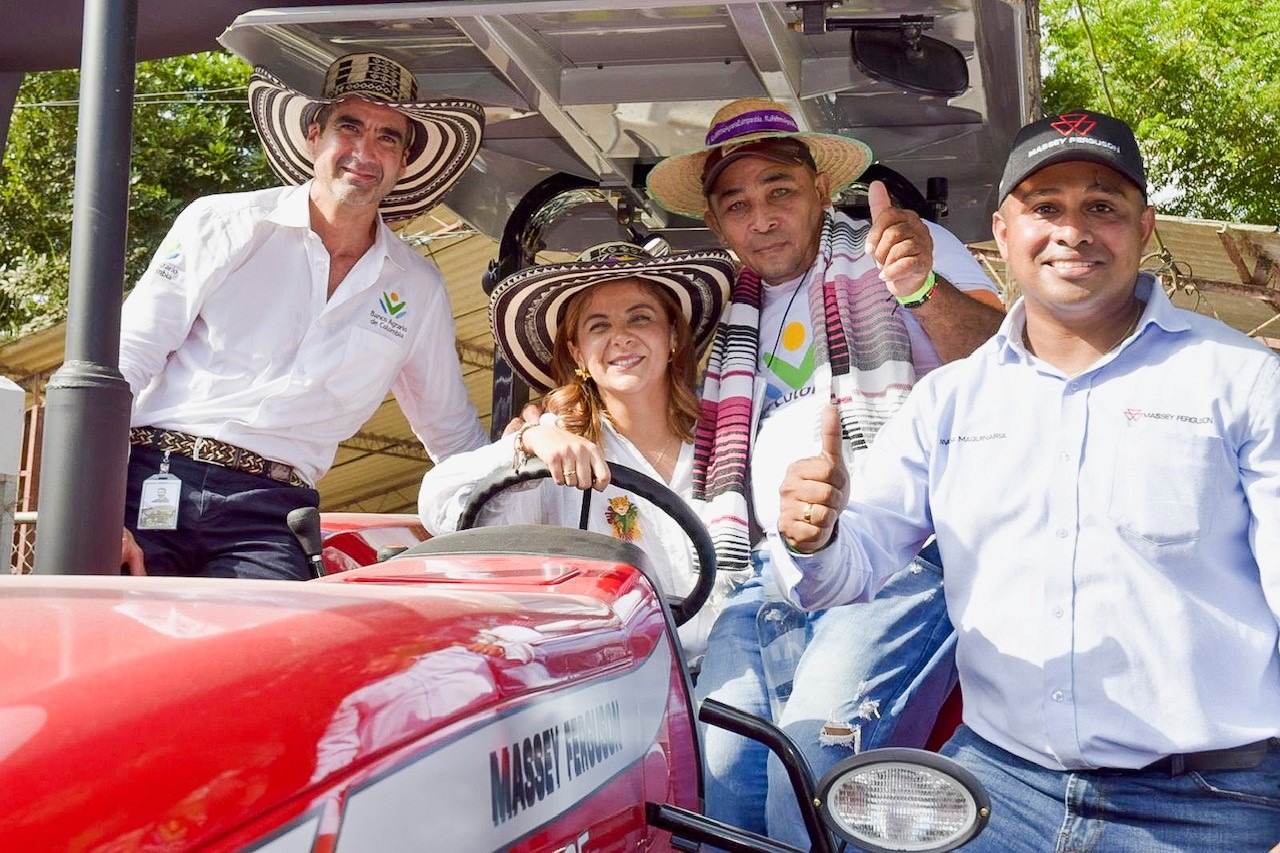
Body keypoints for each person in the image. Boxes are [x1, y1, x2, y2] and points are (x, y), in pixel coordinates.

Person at [775, 110, 1280, 848]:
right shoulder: (949, 401)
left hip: (1205, 804)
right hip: (999, 791)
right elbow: (846, 572)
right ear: (1003, 232)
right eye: (1045, 207)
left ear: (1144, 229)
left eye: (1101, 206)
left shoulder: (1245, 381)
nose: (1072, 230)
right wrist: (813, 536)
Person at [644, 97, 1006, 843]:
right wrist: (548, 419)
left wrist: (920, 287)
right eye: (737, 204)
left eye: (779, 190)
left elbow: (1012, 369)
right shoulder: (724, 315)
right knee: (717, 785)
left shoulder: (901, 248)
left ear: (819, 188)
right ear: (716, 223)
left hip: (894, 558)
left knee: (809, 782)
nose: (762, 218)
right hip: (760, 575)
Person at [118, 53, 489, 580]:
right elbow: (125, 360)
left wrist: (526, 476)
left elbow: (453, 438)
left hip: (272, 512)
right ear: (315, 136)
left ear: (404, 161)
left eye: (387, 138)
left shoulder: (417, 286)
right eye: (349, 127)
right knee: (117, 628)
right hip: (153, 479)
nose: (365, 152)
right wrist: (97, 508)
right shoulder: (223, 222)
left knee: (276, 631)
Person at [417, 242, 734, 663]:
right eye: (599, 326)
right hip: (618, 674)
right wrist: (528, 442)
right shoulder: (556, 445)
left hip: (733, 667)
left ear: (673, 336)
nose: (621, 337)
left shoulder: (728, 438)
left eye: (640, 318)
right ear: (577, 353)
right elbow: (438, 505)